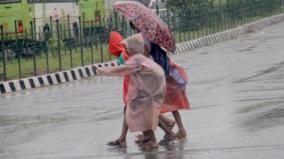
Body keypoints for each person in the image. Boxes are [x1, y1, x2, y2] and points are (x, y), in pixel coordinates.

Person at [96, 33, 166, 150]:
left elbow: (121, 69)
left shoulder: (137, 59)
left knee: (136, 111)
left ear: (132, 48)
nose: (126, 50)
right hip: (154, 90)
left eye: (127, 48)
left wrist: (102, 71)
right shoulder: (141, 58)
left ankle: (151, 139)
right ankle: (150, 138)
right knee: (141, 112)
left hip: (151, 92)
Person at [129, 22, 190, 142]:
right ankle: (179, 129)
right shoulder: (152, 35)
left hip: (155, 76)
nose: (135, 28)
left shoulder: (143, 37)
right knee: (170, 102)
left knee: (151, 106)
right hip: (164, 71)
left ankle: (156, 134)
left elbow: (144, 57)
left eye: (135, 25)